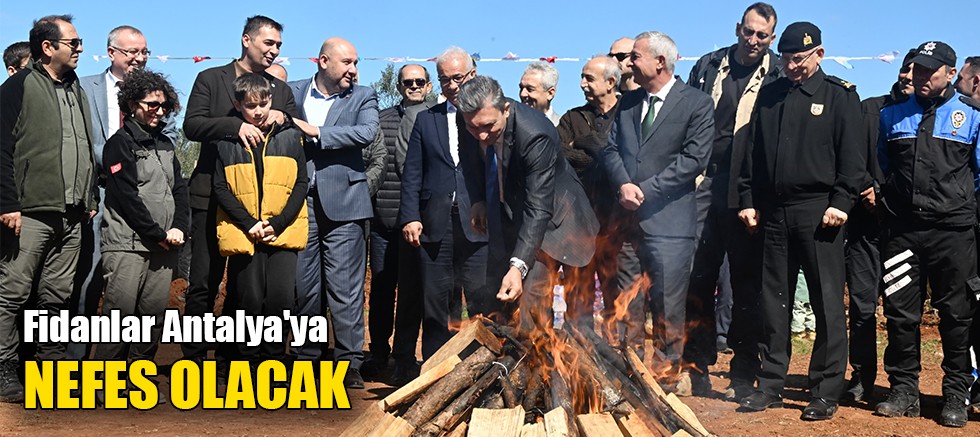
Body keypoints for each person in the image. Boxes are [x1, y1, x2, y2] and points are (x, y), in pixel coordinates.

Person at [736, 22, 864, 421]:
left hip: (820, 212)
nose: (791, 67)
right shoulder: (771, 94)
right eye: (786, 59)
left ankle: (825, 390)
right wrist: (747, 199)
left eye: (799, 59)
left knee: (827, 303)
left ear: (819, 54)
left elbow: (853, 157)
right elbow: (752, 153)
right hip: (774, 212)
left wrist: (841, 201)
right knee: (773, 302)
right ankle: (770, 384)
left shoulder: (840, 96)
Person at [182, 15, 299, 366]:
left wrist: (284, 118)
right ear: (247, 40)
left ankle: (231, 358)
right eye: (269, 43)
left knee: (244, 287)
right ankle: (194, 359)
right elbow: (192, 125)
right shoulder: (210, 78)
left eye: (279, 45)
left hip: (260, 207)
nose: (274, 50)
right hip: (210, 194)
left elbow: (293, 130)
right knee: (204, 282)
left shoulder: (280, 90)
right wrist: (236, 126)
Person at [874, 41, 980, 428]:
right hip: (903, 233)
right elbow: (881, 168)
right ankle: (904, 391)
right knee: (901, 314)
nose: (920, 76)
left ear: (950, 74)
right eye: (916, 69)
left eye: (929, 71)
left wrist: (961, 209)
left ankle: (955, 394)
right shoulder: (891, 115)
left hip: (954, 234)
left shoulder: (972, 116)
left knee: (956, 316)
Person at [601, 31, 715, 380]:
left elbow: (693, 160)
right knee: (628, 304)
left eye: (635, 56)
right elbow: (610, 149)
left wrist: (644, 190)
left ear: (660, 62)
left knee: (667, 306)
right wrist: (623, 185)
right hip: (627, 223)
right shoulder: (628, 103)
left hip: (670, 225)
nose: (629, 63)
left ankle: (664, 379)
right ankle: (632, 374)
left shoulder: (696, 103)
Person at [682, 2, 781, 399]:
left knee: (746, 283)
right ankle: (697, 367)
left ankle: (743, 371)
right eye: (749, 31)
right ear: (738, 27)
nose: (754, 40)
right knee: (698, 277)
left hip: (748, 188)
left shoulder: (778, 72)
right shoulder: (708, 66)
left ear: (772, 37)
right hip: (704, 181)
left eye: (762, 35)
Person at [0, 14, 98, 402]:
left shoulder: (76, 88)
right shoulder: (19, 86)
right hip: (29, 211)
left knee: (57, 296)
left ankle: (50, 369)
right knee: (11, 293)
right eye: (73, 43)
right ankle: (5, 369)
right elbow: (2, 148)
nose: (79, 49)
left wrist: (89, 197)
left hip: (73, 213)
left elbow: (83, 145)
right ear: (47, 47)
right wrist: (8, 202)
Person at [457, 75, 599, 333]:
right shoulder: (469, 117)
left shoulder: (536, 134)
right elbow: (468, 157)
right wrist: (478, 198)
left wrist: (518, 266)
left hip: (559, 220)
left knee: (535, 303)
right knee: (507, 302)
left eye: (488, 126)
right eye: (474, 128)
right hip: (515, 214)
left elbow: (539, 208)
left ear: (506, 109)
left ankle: (552, 357)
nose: (482, 135)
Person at [288, 37, 379, 389]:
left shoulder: (363, 96)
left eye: (356, 63)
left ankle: (349, 362)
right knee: (304, 288)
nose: (353, 70)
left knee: (346, 289)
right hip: (299, 204)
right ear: (323, 62)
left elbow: (366, 132)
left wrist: (315, 131)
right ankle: (305, 357)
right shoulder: (291, 92)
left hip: (346, 203)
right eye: (347, 63)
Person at [94, 70, 188, 399]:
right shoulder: (119, 144)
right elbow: (126, 197)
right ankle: (106, 381)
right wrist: (156, 233)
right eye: (151, 105)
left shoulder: (166, 143)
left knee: (152, 317)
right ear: (132, 104)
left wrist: (180, 227)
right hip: (127, 246)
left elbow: (179, 190)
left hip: (163, 247)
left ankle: (139, 378)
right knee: (119, 315)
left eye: (164, 106)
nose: (158, 111)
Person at [73, 25, 162, 360]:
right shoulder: (83, 88)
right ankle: (76, 361)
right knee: (88, 280)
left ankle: (129, 367)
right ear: (111, 53)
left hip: (141, 200)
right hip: (97, 195)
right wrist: (115, 164)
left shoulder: (155, 96)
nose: (139, 58)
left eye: (144, 52)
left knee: (137, 287)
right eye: (131, 52)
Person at [398, 47, 490, 365]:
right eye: (444, 80)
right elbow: (412, 172)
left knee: (480, 300)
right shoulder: (426, 120)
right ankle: (435, 372)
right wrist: (410, 216)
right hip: (435, 225)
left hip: (479, 224)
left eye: (457, 78)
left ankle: (482, 369)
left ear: (472, 75)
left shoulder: (490, 116)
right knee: (435, 304)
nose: (451, 86)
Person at [213, 73, 308, 367]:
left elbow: (301, 183)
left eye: (263, 104)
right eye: (250, 105)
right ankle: (248, 365)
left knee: (281, 302)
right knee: (248, 302)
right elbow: (220, 188)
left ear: (271, 100)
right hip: (245, 234)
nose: (258, 111)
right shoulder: (227, 141)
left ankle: (273, 363)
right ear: (237, 105)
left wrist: (278, 223)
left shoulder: (291, 137)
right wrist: (249, 223)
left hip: (282, 232)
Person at [843, 49, 915, 404]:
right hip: (864, 224)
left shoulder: (926, 117)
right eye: (905, 69)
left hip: (905, 228)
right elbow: (851, 154)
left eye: (916, 72)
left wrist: (885, 194)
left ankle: (902, 383)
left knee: (903, 310)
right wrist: (867, 187)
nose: (908, 76)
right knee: (862, 306)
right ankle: (862, 376)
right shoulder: (869, 108)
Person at [556, 55, 641, 338]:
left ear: (611, 82)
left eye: (589, 78)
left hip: (619, 225)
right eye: (582, 77)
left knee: (619, 297)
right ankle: (580, 351)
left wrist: (586, 144)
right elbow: (559, 154)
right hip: (579, 224)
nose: (582, 84)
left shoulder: (629, 113)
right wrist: (598, 154)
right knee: (578, 296)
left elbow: (630, 159)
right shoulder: (572, 118)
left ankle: (622, 354)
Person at [363, 64, 429, 384]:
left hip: (417, 224)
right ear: (400, 86)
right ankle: (378, 351)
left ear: (428, 86)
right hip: (384, 221)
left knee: (412, 293)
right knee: (381, 289)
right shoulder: (382, 119)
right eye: (408, 82)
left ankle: (405, 356)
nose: (413, 86)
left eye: (419, 81)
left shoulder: (435, 120)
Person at [519, 61, 560, 126]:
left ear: (550, 93)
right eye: (521, 88)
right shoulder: (510, 126)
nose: (522, 94)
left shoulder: (562, 126)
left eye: (530, 89)